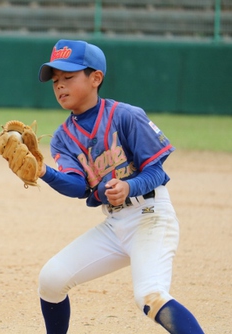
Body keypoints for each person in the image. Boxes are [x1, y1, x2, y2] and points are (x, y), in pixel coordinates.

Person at [36, 40, 204, 333]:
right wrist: (43, 172)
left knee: (150, 295)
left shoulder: (127, 116)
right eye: (55, 81)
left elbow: (156, 172)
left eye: (68, 77)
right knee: (51, 279)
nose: (59, 86)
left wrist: (130, 187)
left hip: (151, 215)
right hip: (116, 224)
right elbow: (78, 187)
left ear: (96, 78)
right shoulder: (63, 136)